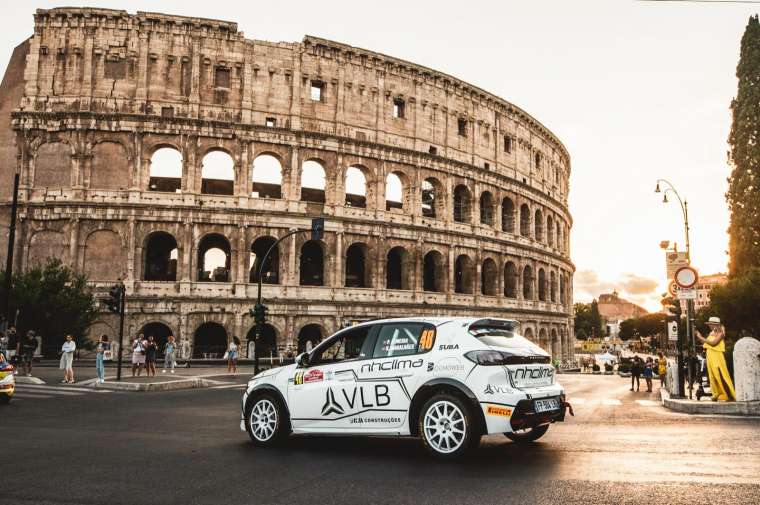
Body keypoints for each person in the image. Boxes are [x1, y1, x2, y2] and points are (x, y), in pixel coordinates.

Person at [695, 317, 736, 402]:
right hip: (710, 355)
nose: (709, 326)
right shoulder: (712, 333)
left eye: (710, 324)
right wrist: (699, 337)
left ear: (716, 325)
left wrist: (700, 336)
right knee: (712, 376)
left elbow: (713, 343)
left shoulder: (721, 333)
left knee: (720, 375)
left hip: (717, 356)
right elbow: (706, 342)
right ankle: (716, 394)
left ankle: (729, 395)